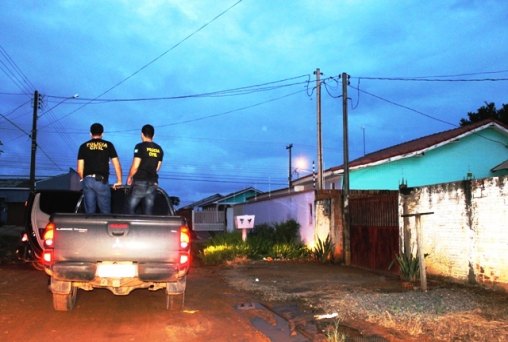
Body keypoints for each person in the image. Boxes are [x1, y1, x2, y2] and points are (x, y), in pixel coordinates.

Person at [77, 123, 122, 214]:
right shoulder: (108, 145)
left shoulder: (83, 146)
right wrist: (119, 180)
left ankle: (90, 226)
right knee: (105, 211)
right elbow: (116, 164)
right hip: (101, 180)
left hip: (88, 180)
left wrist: (83, 179)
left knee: (89, 212)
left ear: (90, 133)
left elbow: (80, 169)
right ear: (102, 133)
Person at [126, 124, 164, 215]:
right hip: (153, 183)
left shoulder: (140, 146)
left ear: (142, 134)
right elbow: (157, 168)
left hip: (140, 181)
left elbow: (135, 166)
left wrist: (130, 177)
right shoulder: (159, 149)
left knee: (129, 210)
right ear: (153, 136)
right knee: (148, 212)